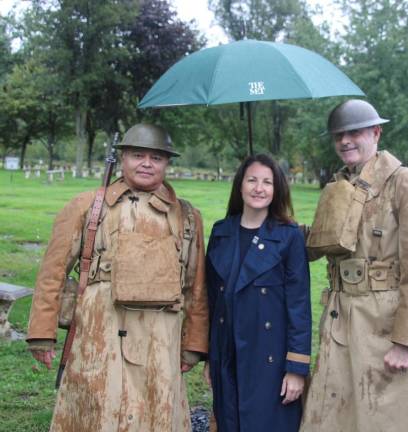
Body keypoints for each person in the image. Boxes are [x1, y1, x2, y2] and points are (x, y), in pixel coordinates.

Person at [26, 123, 209, 431]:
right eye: (138, 155)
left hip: (161, 339)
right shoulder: (87, 206)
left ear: (167, 163)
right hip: (99, 335)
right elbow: (52, 273)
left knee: (157, 411)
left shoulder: (187, 216)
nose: (147, 163)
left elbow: (196, 287)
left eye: (157, 157)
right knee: (98, 410)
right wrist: (42, 332)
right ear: (123, 158)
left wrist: (193, 344)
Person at [301, 99, 408, 432]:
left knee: (388, 420)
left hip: (386, 331)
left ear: (376, 133)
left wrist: (406, 342)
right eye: (338, 135)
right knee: (338, 417)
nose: (345, 141)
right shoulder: (338, 188)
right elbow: (317, 245)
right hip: (340, 323)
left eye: (354, 132)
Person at [205, 154, 311, 432]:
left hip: (270, 358)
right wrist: (211, 359)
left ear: (277, 190)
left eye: (267, 182)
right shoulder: (221, 232)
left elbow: (299, 307)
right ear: (240, 185)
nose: (258, 188)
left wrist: (296, 369)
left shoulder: (289, 237)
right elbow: (213, 302)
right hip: (227, 354)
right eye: (251, 180)